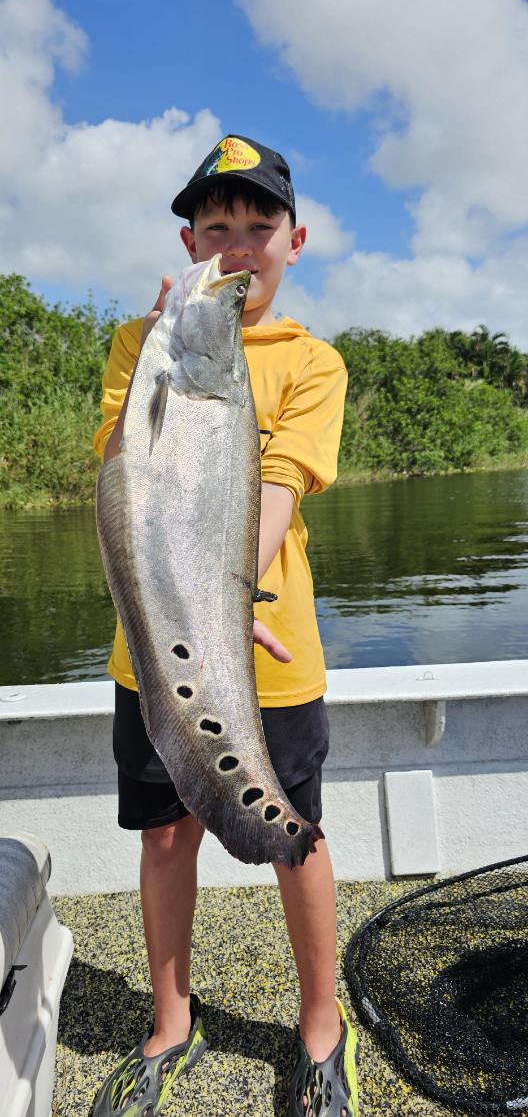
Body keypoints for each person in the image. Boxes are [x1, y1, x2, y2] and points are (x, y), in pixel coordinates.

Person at [91, 134, 359, 1117]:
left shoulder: (312, 365)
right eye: (219, 228)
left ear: (298, 239)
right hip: (154, 648)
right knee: (166, 840)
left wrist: (231, 597)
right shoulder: (140, 341)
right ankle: (170, 1021)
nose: (239, 247)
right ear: (189, 239)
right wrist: (168, 347)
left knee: (298, 833)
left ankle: (322, 1027)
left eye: (260, 228)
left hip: (269, 658)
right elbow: (124, 466)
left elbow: (281, 483)